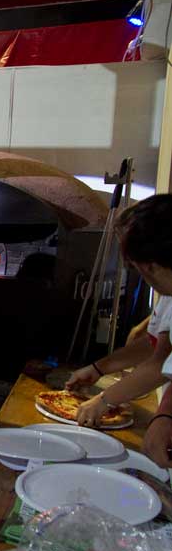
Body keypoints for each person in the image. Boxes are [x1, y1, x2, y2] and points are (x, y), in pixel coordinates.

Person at [73, 195, 172, 456]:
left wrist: (103, 401)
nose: (144, 276)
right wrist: (98, 368)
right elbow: (152, 346)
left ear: (152, 265)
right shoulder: (169, 294)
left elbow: (160, 364)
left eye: (139, 268)